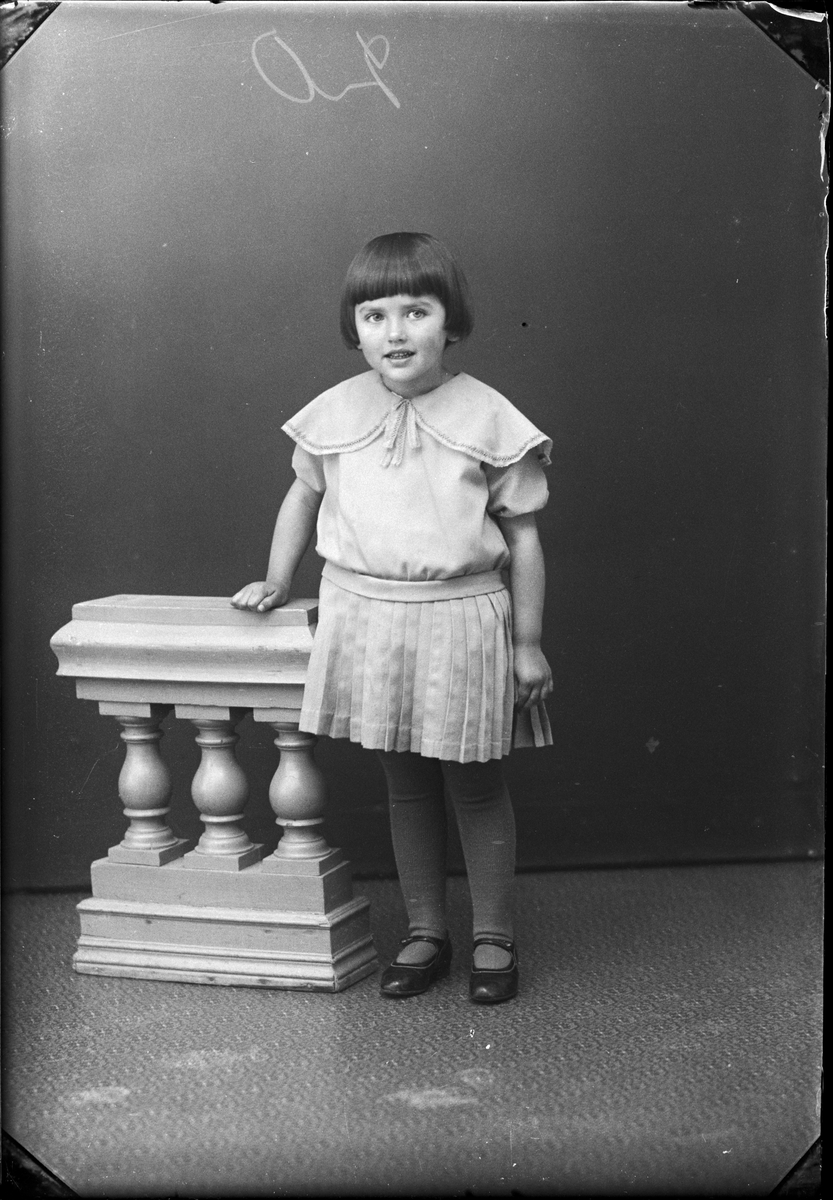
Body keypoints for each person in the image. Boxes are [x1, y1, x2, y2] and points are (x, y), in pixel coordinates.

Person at [232, 232, 553, 1004]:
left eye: (416, 311)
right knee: (404, 784)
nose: (395, 332)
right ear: (355, 329)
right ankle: (425, 931)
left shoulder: (487, 415)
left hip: (461, 618)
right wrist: (275, 580)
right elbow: (302, 495)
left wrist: (529, 643)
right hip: (366, 617)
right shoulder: (336, 411)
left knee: (474, 785)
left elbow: (523, 538)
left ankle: (492, 936)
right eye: (374, 316)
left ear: (451, 322)